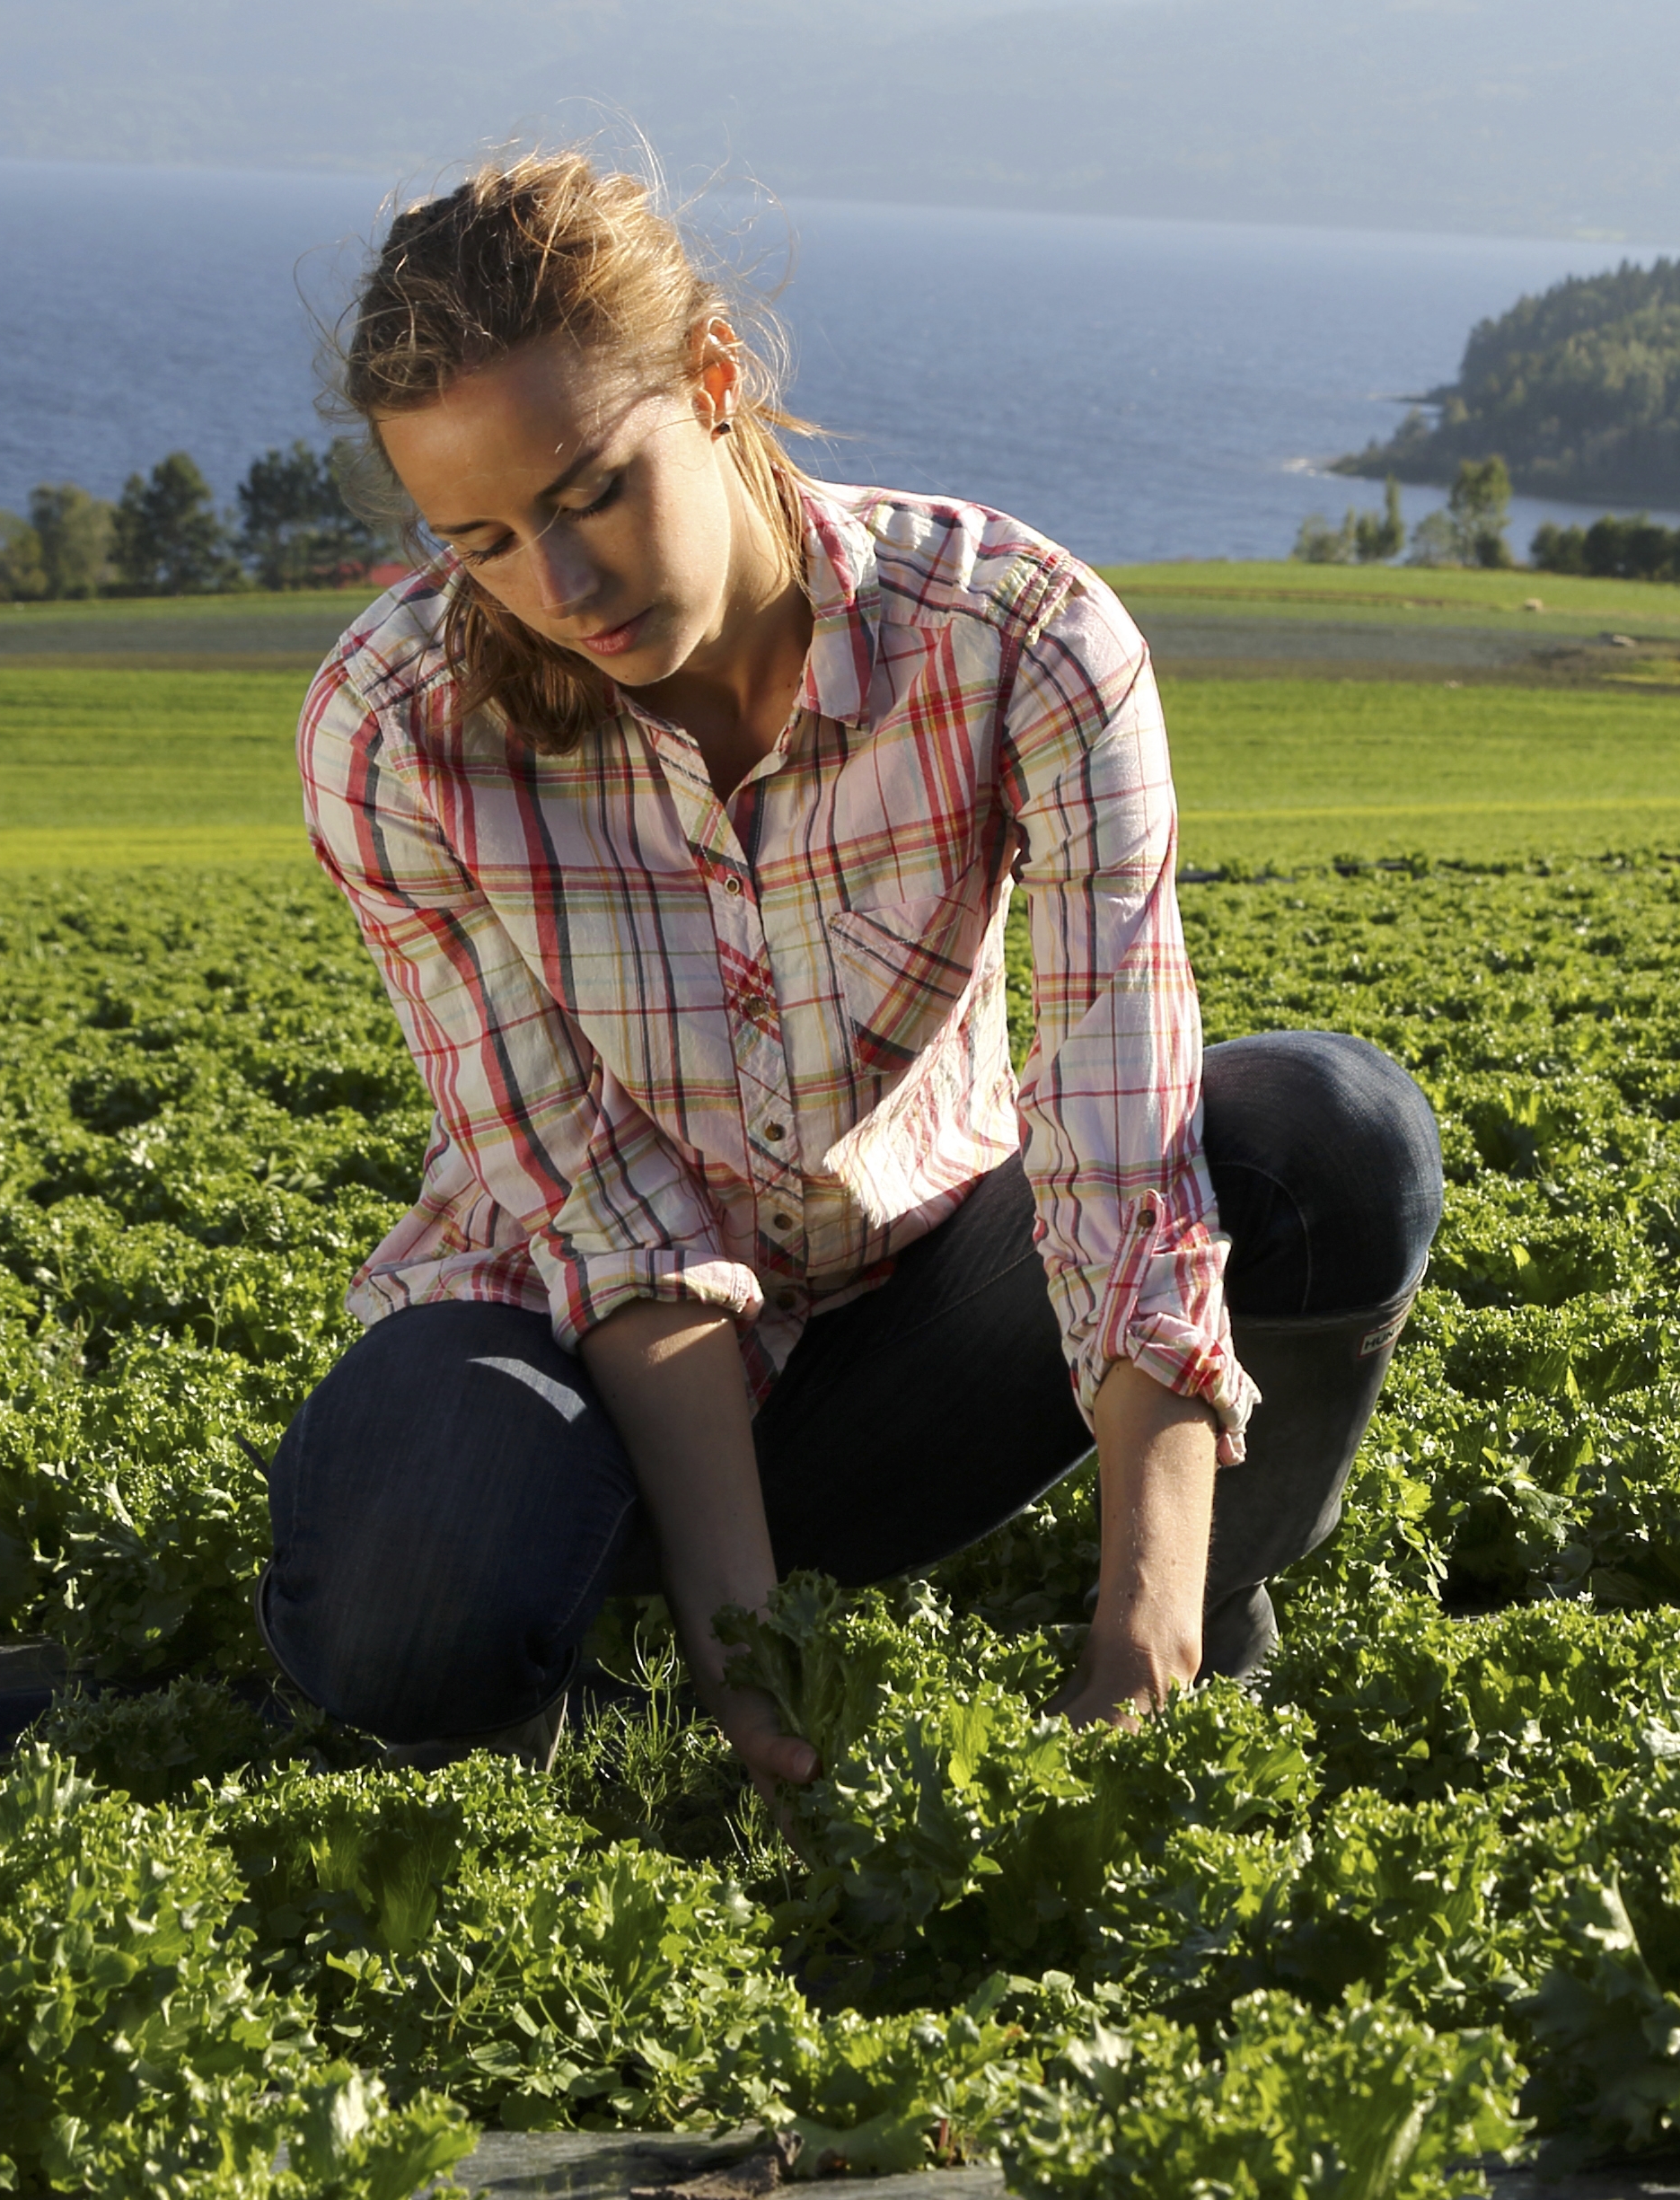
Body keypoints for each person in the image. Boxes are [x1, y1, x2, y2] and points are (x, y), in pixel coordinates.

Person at [259, 150, 1440, 1789]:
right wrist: (755, 1669)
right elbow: (611, 1228)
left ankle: (1198, 1614)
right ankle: (606, 1649)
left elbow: (1119, 1147)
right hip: (591, 1358)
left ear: (714, 376)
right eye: (486, 541)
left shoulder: (1016, 633)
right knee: (408, 1621)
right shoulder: (394, 733)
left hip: (922, 1332)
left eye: (596, 488)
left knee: (1330, 1131)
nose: (565, 586)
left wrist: (1140, 1632)